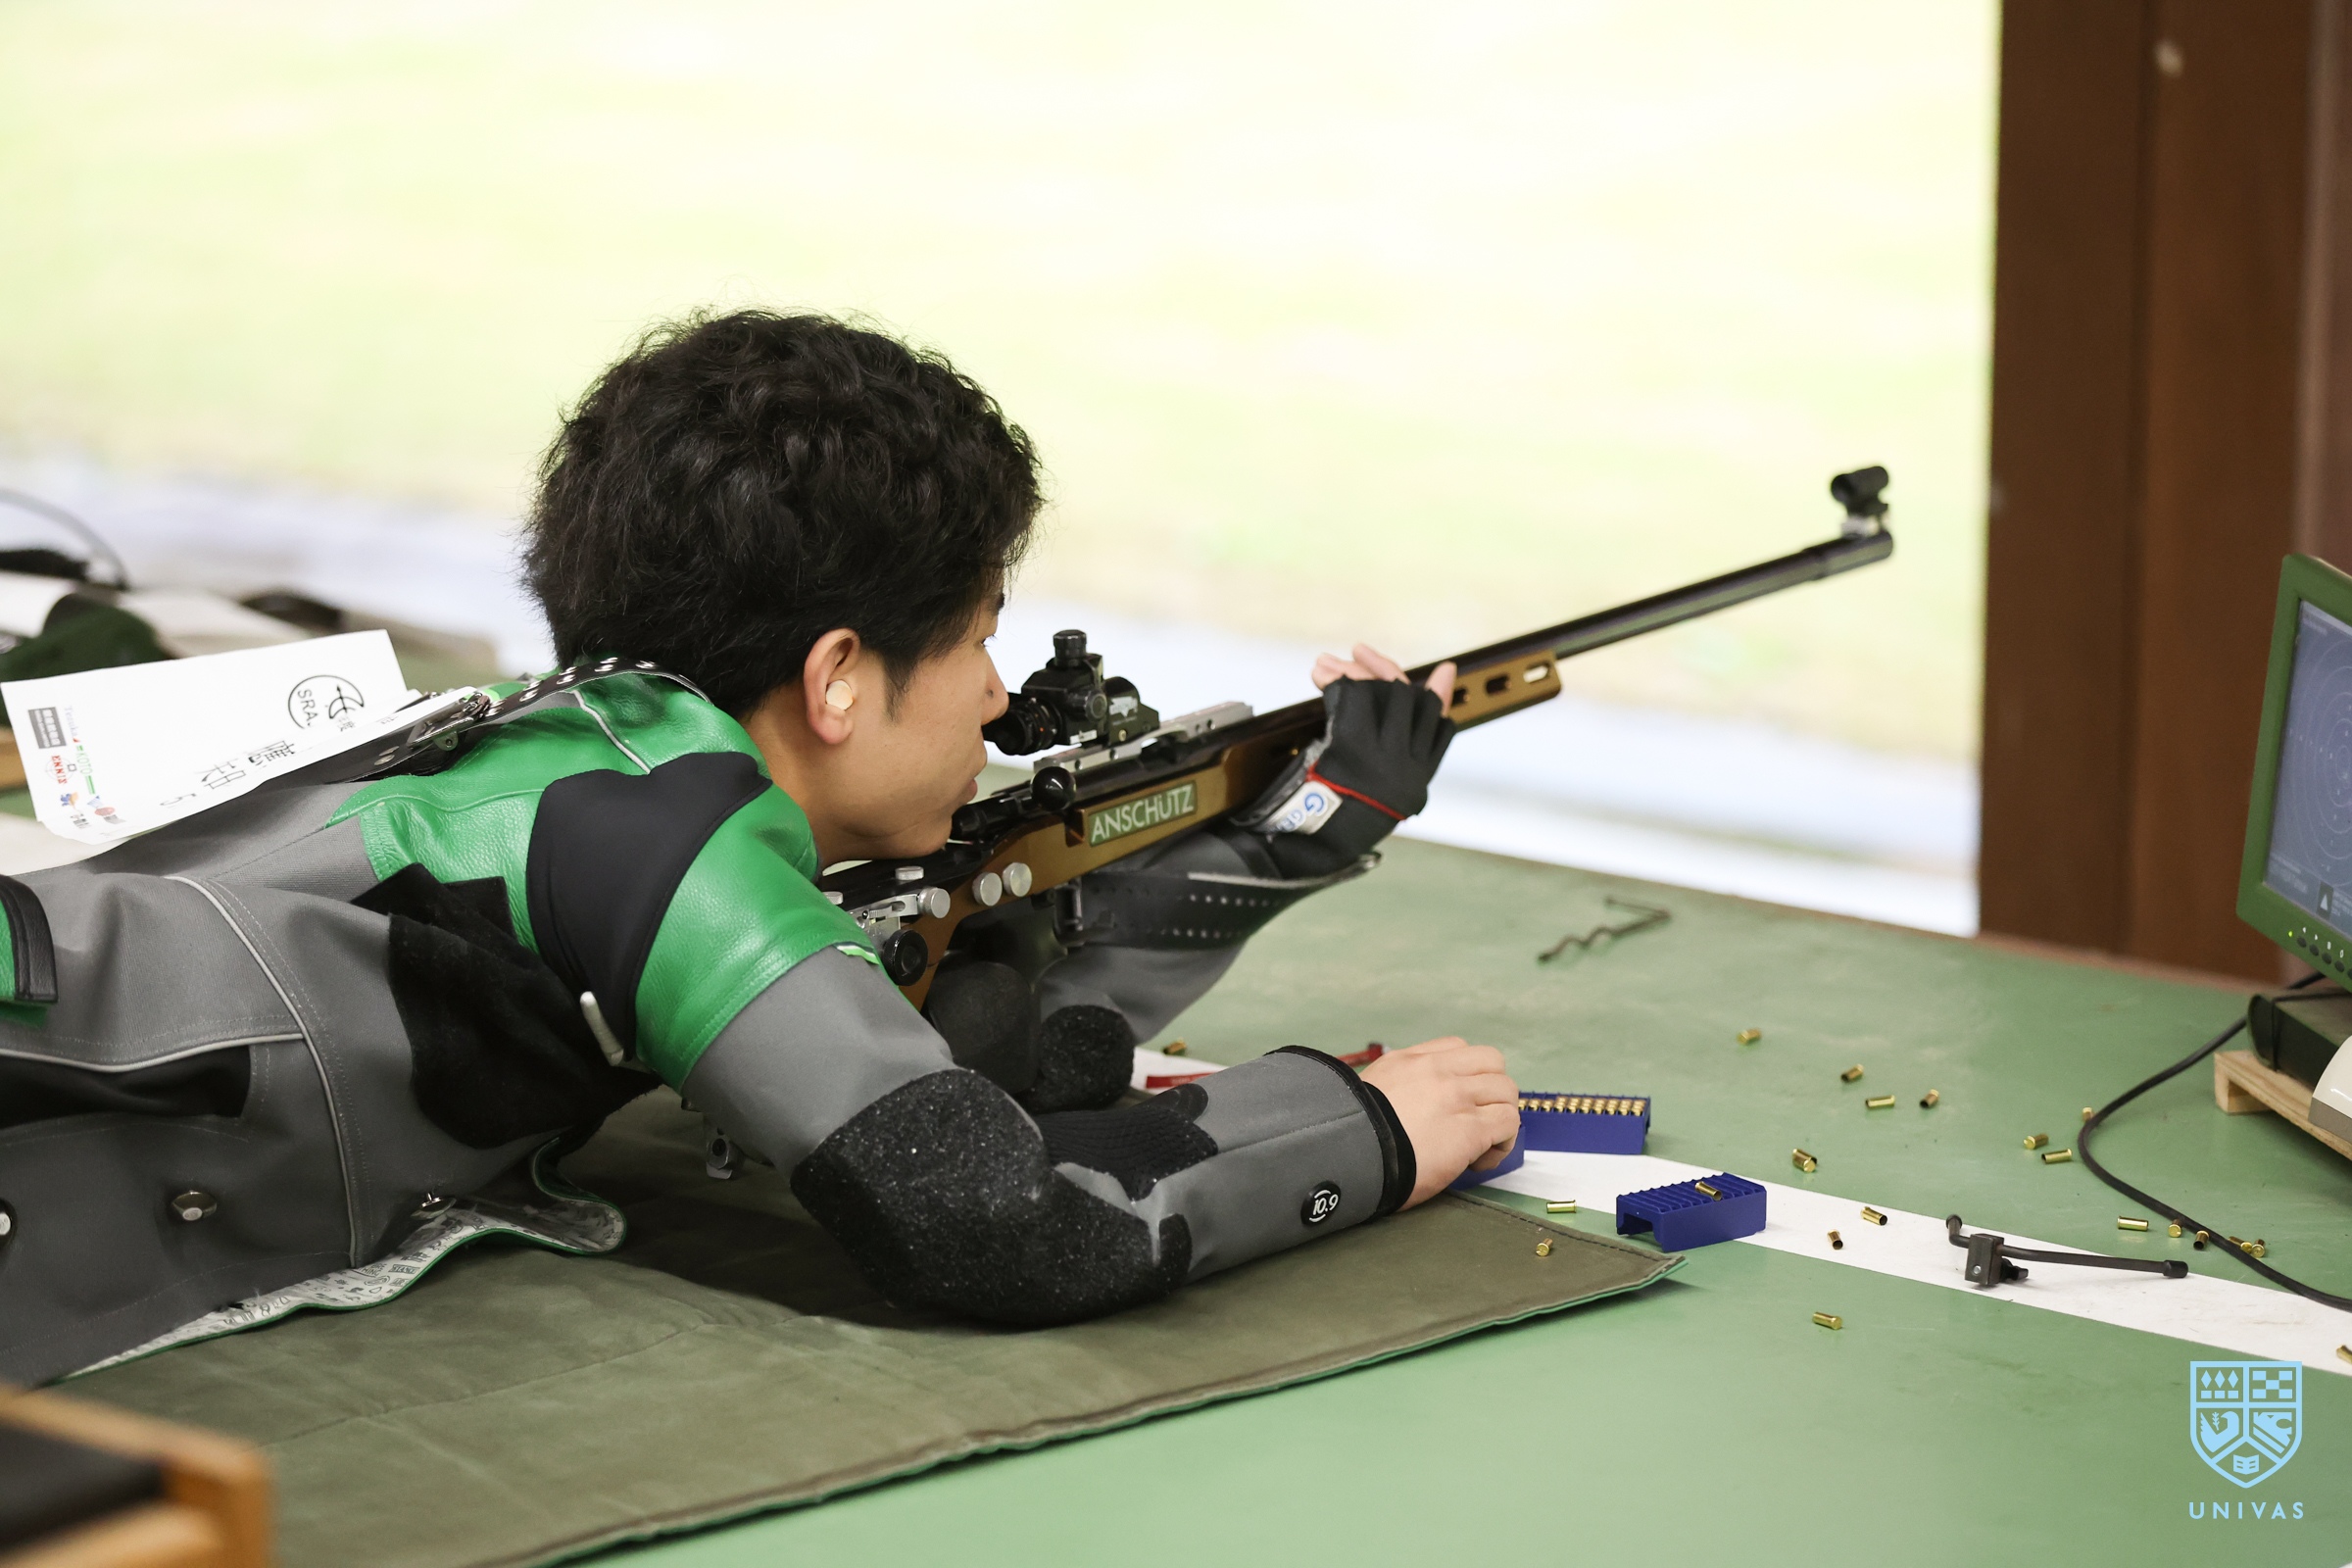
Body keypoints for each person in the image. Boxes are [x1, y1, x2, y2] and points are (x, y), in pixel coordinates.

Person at [0, 311, 1518, 1386]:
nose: (1000, 699)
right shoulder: (662, 835)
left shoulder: (574, 744)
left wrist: (1281, 843)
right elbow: (1003, 1225)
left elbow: (960, 1049)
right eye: (980, 639)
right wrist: (1361, 1130)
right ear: (839, 677)